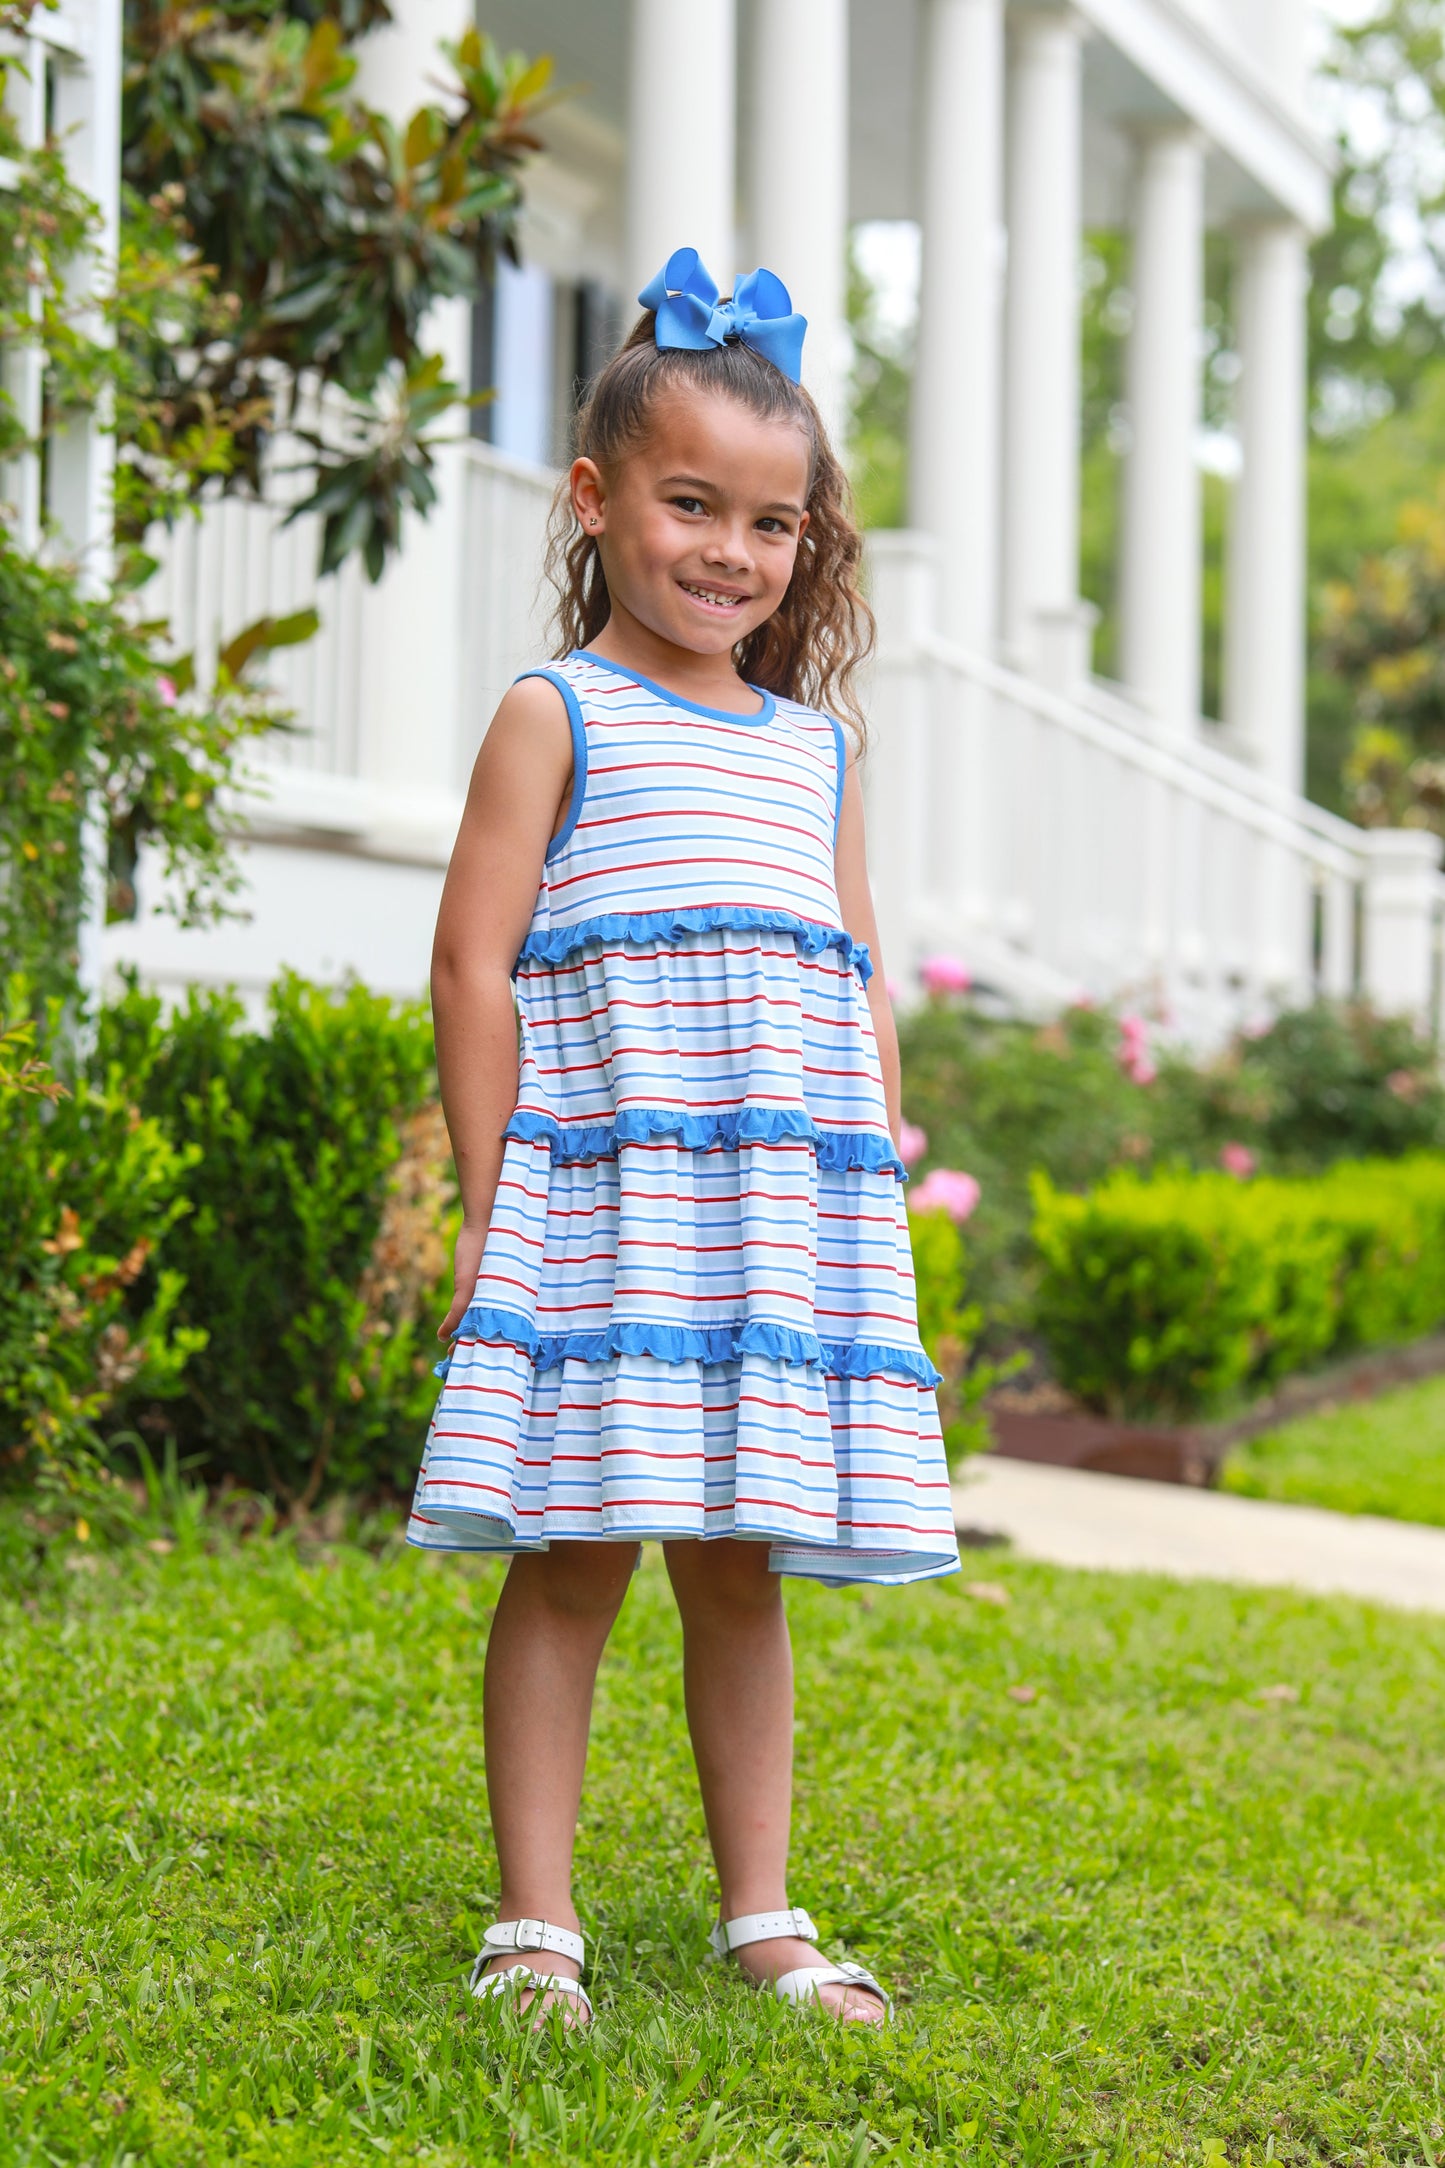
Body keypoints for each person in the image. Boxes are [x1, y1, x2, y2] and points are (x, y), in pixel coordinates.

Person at [407, 248, 961, 2030]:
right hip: (609, 1208)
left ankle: (762, 1915)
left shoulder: (814, 752)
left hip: (768, 1227)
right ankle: (535, 1923)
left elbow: (852, 964)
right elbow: (472, 963)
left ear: (810, 546)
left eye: (773, 524)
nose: (732, 551)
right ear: (597, 499)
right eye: (691, 505)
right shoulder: (552, 713)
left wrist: (869, 1140)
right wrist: (497, 1200)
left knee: (741, 1562)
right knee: (572, 1556)